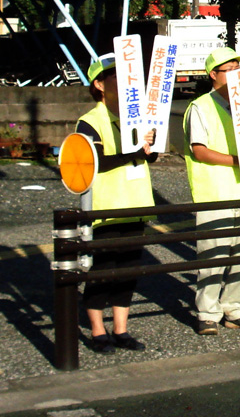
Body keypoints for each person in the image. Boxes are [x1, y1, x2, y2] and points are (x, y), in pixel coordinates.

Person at [183, 47, 240, 336]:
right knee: (214, 254)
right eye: (230, 69)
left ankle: (237, 308)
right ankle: (207, 312)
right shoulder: (200, 106)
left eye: (239, 68)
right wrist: (238, 161)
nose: (238, 74)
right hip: (216, 191)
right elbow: (199, 151)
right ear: (213, 75)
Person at [77, 53, 157, 354]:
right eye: (116, 77)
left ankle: (121, 328)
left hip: (136, 202)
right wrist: (136, 152)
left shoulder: (133, 116)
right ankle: (98, 330)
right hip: (106, 206)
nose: (125, 83)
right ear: (99, 84)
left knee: (129, 269)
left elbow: (151, 155)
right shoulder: (90, 121)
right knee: (103, 269)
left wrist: (150, 146)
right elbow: (94, 162)